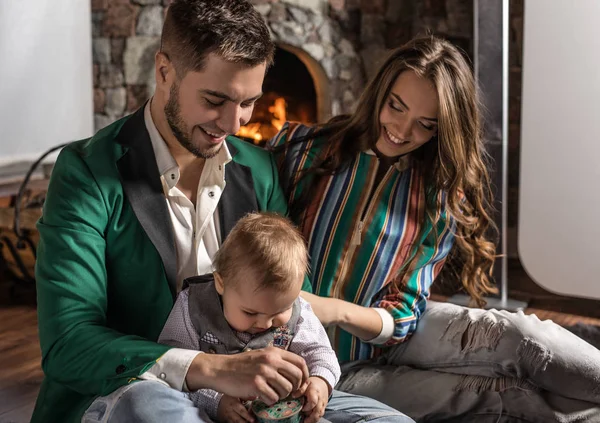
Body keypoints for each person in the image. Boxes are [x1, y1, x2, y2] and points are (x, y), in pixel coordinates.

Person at [33, 1, 411, 422]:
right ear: (164, 72)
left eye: (249, 102)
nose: (234, 123)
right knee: (149, 405)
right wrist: (210, 370)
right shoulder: (86, 171)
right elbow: (68, 343)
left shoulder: (261, 169)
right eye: (216, 99)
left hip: (252, 404)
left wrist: (307, 383)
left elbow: (290, 301)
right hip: (136, 393)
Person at [270, 35, 600, 422]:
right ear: (380, 92)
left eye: (426, 125)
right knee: (509, 395)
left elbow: (405, 313)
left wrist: (338, 311)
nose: (402, 131)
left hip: (393, 338)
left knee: (526, 339)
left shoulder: (439, 191)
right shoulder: (301, 149)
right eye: (396, 106)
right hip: (335, 371)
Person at [159, 212, 341, 423]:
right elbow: (176, 371)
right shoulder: (193, 306)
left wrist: (320, 382)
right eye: (250, 313)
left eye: (279, 312)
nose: (265, 324)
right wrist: (215, 401)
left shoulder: (299, 311)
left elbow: (321, 352)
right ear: (221, 283)